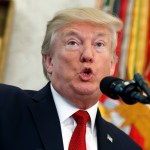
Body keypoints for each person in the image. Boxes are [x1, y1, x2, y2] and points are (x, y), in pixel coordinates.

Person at [0, 7, 142, 150]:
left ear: (112, 65)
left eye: (99, 44)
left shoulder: (127, 146)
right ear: (49, 61)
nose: (87, 55)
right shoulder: (6, 105)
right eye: (73, 43)